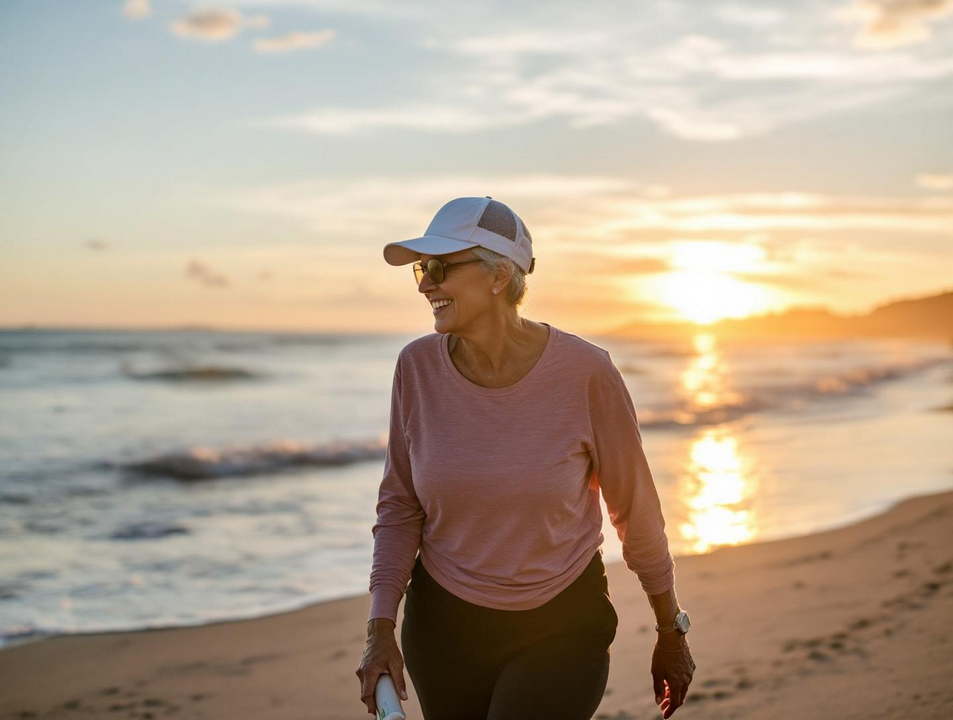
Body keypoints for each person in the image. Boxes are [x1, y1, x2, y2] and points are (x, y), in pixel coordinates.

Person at [356, 196, 695, 719]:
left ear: (498, 276)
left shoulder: (587, 373)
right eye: (423, 270)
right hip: (443, 630)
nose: (425, 284)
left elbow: (636, 510)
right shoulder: (416, 368)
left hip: (561, 624)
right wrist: (380, 629)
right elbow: (400, 507)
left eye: (440, 268)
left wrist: (670, 627)